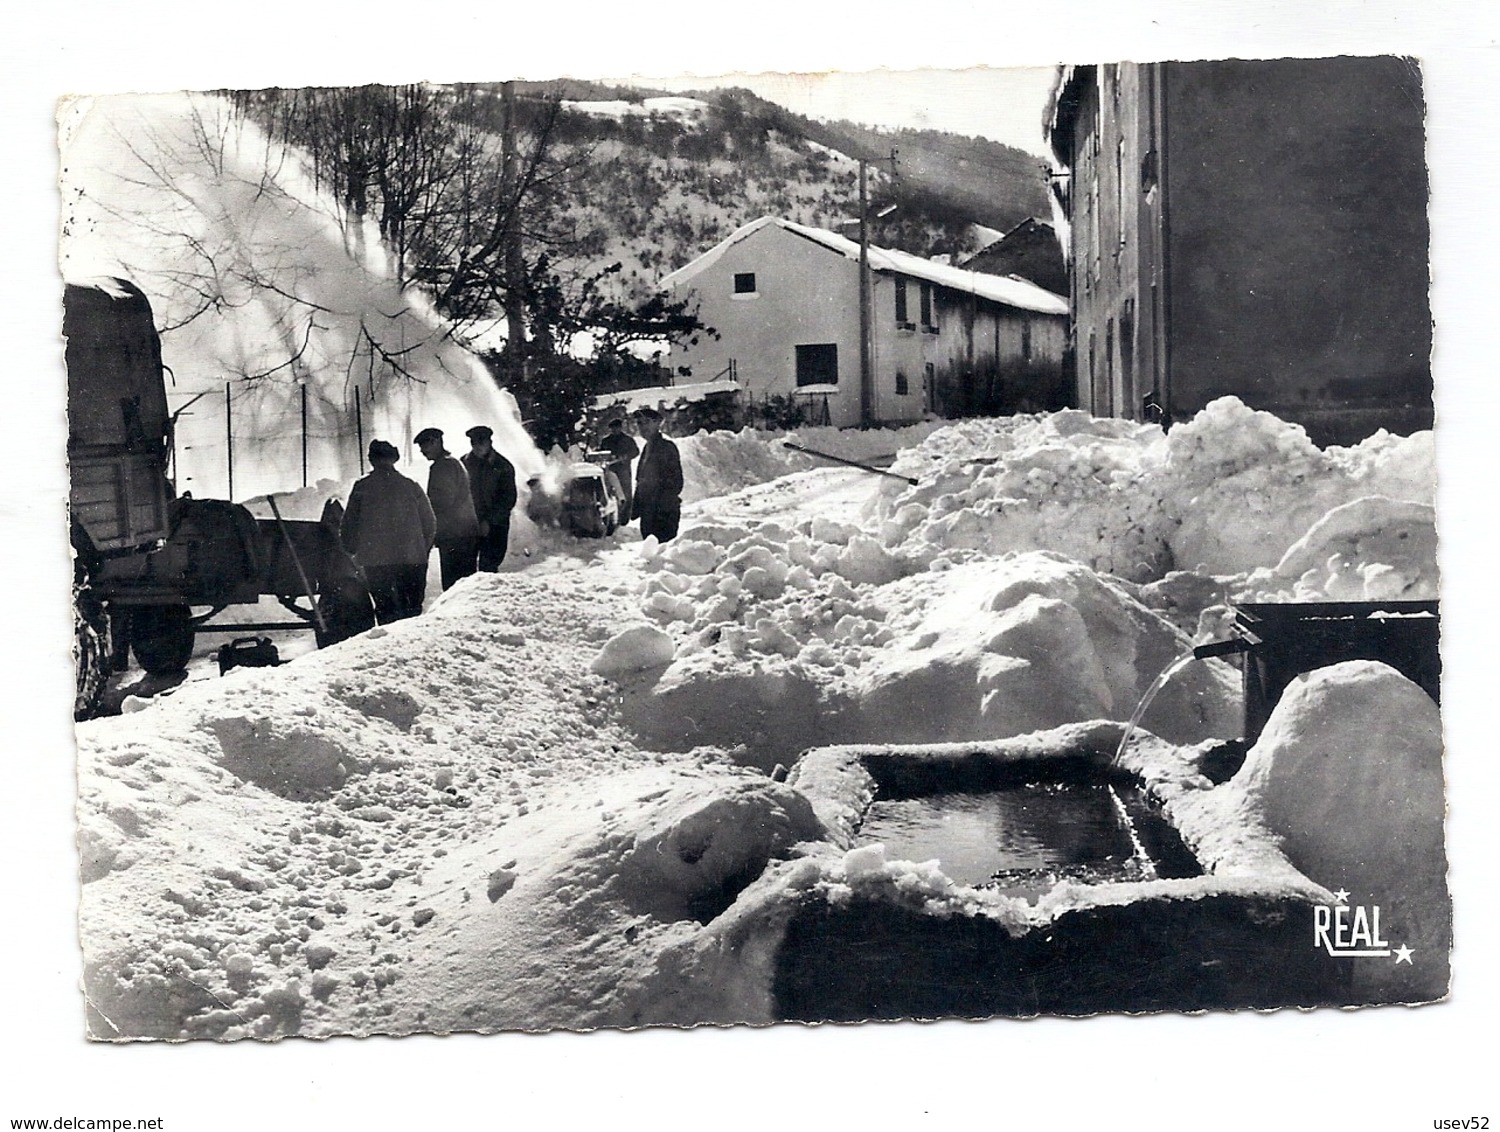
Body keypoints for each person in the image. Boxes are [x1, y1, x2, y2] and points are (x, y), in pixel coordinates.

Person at [340, 440, 436, 623]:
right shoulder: (411, 486)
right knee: (412, 613)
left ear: (371, 460)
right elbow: (430, 523)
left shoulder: (362, 487)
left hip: (377, 562)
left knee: (386, 611)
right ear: (394, 459)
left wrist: (352, 551)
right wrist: (422, 550)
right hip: (412, 560)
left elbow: (348, 524)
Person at [415, 427, 480, 590]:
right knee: (465, 585)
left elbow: (441, 502)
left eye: (425, 445)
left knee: (455, 587)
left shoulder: (443, 466)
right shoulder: (451, 462)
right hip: (462, 533)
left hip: (455, 535)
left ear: (436, 442)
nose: (422, 451)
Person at [461, 425, 518, 571]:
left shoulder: (503, 466)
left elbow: (508, 499)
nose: (477, 446)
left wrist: (489, 521)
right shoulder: (464, 464)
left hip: (496, 527)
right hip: (470, 525)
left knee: (489, 568)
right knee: (466, 570)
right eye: (473, 443)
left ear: (490, 442)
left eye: (481, 442)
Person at [631, 406, 683, 543]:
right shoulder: (646, 448)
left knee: (662, 557)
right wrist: (637, 508)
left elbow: (676, 482)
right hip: (649, 513)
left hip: (663, 513)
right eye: (640, 423)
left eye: (647, 422)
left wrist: (661, 507)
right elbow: (641, 480)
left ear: (657, 424)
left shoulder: (666, 447)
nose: (643, 427)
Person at [597, 417, 640, 522]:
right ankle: (612, 517)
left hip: (623, 470)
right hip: (609, 470)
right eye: (612, 429)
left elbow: (636, 451)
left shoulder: (627, 439)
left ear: (620, 428)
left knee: (626, 493)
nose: (614, 430)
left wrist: (625, 456)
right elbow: (601, 453)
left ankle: (624, 518)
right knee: (609, 493)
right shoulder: (606, 440)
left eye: (616, 428)